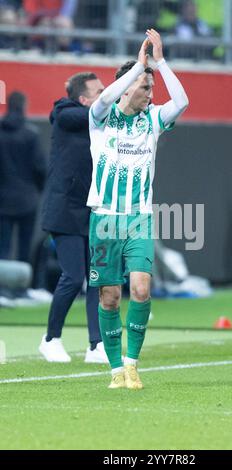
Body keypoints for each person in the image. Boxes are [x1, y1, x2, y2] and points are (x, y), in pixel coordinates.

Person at [87, 29, 189, 389]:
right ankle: (115, 370)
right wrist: (138, 69)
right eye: (147, 87)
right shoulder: (101, 119)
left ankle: (132, 364)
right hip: (104, 218)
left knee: (142, 289)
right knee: (110, 296)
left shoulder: (153, 121)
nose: (151, 93)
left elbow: (182, 101)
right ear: (128, 88)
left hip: (138, 218)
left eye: (151, 88)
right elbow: (107, 98)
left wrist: (158, 63)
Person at [40, 72, 108, 364]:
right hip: (64, 210)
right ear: (83, 99)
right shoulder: (66, 114)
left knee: (96, 278)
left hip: (90, 209)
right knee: (73, 276)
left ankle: (96, 344)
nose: (106, 95)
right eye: (100, 92)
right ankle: (50, 339)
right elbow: (91, 115)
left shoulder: (99, 122)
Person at [0, 91, 46, 264]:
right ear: (24, 106)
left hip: (2, 200)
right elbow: (40, 168)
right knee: (24, 246)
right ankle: (22, 287)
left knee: (2, 247)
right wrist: (38, 190)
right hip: (28, 200)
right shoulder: (31, 134)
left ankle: (2, 287)